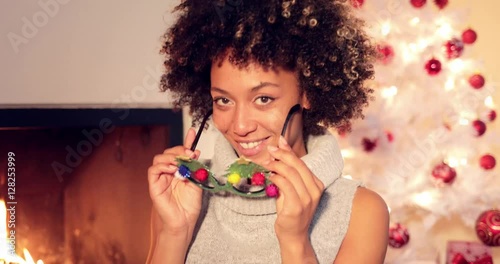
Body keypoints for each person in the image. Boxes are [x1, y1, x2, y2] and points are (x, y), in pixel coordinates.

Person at [146, 0, 389, 263]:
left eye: (263, 99)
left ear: (307, 93)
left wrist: (295, 242)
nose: (240, 126)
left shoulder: (360, 212)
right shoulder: (183, 192)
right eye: (223, 100)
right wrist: (175, 233)